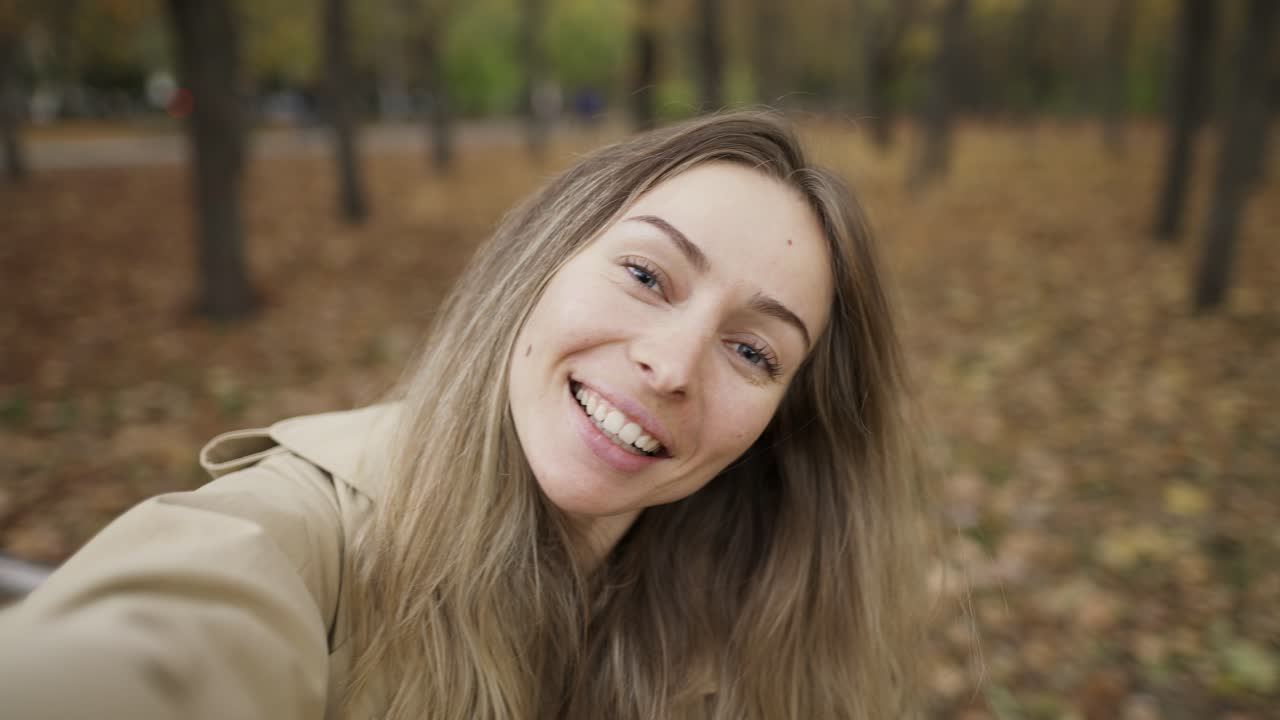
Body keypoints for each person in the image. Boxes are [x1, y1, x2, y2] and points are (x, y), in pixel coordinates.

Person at [0, 111, 935, 719]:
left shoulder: (765, 631)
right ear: (541, 262)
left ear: (782, 423)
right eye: (647, 275)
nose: (672, 365)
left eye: (754, 352)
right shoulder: (290, 543)